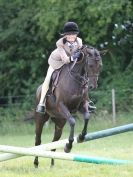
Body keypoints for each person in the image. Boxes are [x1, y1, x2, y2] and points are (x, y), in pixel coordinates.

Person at [36, 21, 96, 114]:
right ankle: (41, 103)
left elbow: (82, 50)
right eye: (69, 35)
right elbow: (65, 59)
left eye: (74, 34)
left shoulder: (79, 41)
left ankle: (88, 101)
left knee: (82, 78)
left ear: (76, 34)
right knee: (47, 79)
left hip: (71, 62)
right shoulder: (60, 43)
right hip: (57, 62)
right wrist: (73, 57)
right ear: (65, 35)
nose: (72, 37)